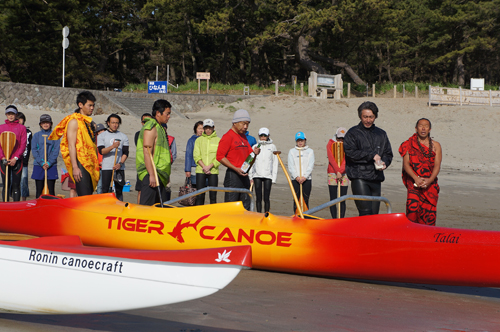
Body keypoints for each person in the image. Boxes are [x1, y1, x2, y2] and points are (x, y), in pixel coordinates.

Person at [344, 101, 393, 216]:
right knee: (366, 213)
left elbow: (388, 153)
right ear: (360, 116)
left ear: (375, 117)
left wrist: (385, 163)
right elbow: (351, 153)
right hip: (359, 177)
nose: (368, 120)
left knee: (374, 215)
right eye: (365, 117)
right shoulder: (352, 133)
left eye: (371, 117)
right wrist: (371, 155)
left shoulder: (381, 134)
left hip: (376, 178)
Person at [49, 91, 99, 196]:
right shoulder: (74, 122)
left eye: (93, 105)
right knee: (84, 196)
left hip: (90, 161)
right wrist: (75, 167)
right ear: (80, 105)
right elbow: (71, 146)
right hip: (80, 162)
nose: (92, 108)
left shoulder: (89, 123)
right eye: (89, 105)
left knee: (89, 196)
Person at [399, 118, 442, 226]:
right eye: (420, 126)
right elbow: (406, 165)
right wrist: (416, 178)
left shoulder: (436, 145)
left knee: (429, 213)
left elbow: (437, 165)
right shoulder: (408, 144)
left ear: (430, 129)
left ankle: (427, 239)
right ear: (416, 128)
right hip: (414, 183)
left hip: (430, 183)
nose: (423, 128)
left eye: (426, 126)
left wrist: (429, 180)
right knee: (412, 212)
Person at [216, 109, 260, 210]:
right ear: (235, 122)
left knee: (245, 207)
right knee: (231, 208)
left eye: (247, 124)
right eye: (243, 124)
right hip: (233, 176)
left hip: (244, 175)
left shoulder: (243, 137)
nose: (245, 127)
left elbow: (250, 155)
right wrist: (235, 168)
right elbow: (219, 156)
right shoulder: (228, 136)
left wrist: (255, 153)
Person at [136, 99, 171, 206]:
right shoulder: (151, 127)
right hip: (151, 174)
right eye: (167, 114)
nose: (169, 116)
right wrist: (151, 174)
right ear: (158, 113)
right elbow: (147, 152)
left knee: (161, 207)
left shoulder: (160, 127)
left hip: (160, 174)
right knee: (146, 206)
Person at [98, 114, 129, 201]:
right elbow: (101, 151)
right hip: (107, 167)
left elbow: (126, 152)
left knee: (119, 190)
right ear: (108, 123)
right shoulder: (102, 136)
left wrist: (120, 163)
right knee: (105, 190)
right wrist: (112, 146)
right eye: (113, 123)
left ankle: (119, 208)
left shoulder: (123, 136)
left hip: (119, 167)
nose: (115, 125)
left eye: (117, 123)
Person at [0, 105, 27, 202]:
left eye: (13, 114)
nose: (11, 116)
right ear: (6, 115)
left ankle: (16, 207)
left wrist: (15, 158)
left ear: (16, 115)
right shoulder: (1, 127)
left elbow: (23, 145)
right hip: (4, 160)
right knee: (6, 185)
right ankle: (5, 207)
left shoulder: (22, 128)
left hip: (16, 160)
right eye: (9, 114)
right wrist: (2, 157)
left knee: (16, 186)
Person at [249, 127, 278, 213]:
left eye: (265, 135)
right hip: (257, 175)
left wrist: (274, 177)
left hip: (268, 175)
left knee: (266, 198)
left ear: (268, 136)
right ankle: (258, 214)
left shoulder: (272, 147)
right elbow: (251, 162)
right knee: (258, 197)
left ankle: (266, 215)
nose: (263, 137)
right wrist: (251, 176)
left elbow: (275, 162)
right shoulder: (255, 146)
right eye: (261, 135)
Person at [31, 114, 60, 198]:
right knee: (39, 190)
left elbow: (56, 150)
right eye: (43, 123)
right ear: (40, 124)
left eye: (47, 122)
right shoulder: (36, 135)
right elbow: (34, 150)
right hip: (38, 165)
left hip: (51, 165)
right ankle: (38, 208)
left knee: (51, 190)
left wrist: (49, 162)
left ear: (51, 123)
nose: (45, 124)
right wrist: (42, 162)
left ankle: (51, 208)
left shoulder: (55, 135)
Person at [193, 119, 220, 205]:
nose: (208, 130)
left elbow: (219, 156)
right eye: (206, 128)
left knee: (213, 196)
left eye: (210, 128)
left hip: (213, 171)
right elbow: (196, 155)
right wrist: (204, 167)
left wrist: (210, 166)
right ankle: (199, 215)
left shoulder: (218, 140)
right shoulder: (199, 140)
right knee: (200, 196)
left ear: (213, 128)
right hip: (201, 170)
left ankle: (212, 216)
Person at [288, 132, 314, 213]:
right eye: (298, 140)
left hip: (306, 179)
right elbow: (291, 166)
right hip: (295, 180)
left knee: (305, 199)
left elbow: (311, 165)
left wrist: (304, 177)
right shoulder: (292, 151)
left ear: (305, 140)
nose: (300, 142)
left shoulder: (310, 151)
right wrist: (296, 177)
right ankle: (296, 217)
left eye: (301, 140)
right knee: (296, 199)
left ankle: (305, 217)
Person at [326, 127, 349, 218]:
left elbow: (347, 159)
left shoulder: (349, 145)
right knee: (333, 198)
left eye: (343, 138)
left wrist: (341, 171)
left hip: (344, 173)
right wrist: (337, 171)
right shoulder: (330, 144)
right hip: (332, 173)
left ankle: (341, 218)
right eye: (339, 138)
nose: (341, 140)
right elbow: (331, 158)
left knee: (342, 198)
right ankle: (334, 219)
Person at [134, 113, 152, 203]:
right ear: (142, 122)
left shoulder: (154, 133)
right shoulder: (138, 134)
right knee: (140, 190)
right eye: (145, 121)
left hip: (152, 166)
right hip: (142, 166)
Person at [16, 112, 32, 200]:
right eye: (17, 118)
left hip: (23, 160)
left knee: (24, 180)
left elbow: (28, 147)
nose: (19, 120)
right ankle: (14, 199)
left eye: (20, 119)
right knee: (13, 181)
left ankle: (23, 199)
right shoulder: (13, 130)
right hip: (13, 160)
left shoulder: (28, 133)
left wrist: (25, 160)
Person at [185, 120, 204, 186]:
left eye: (203, 128)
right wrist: (187, 170)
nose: (201, 130)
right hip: (194, 167)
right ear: (196, 129)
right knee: (194, 186)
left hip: (204, 167)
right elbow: (188, 155)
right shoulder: (192, 140)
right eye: (199, 128)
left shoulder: (206, 140)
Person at [94, 123, 106, 194]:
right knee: (99, 185)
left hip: (107, 166)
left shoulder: (107, 140)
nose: (100, 132)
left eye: (102, 130)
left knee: (107, 185)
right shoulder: (95, 142)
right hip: (98, 166)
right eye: (98, 131)